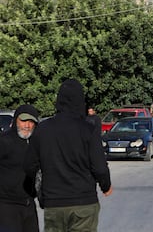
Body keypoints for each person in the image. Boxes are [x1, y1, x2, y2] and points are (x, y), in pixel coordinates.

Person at [24, 79, 113, 232]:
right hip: (83, 202)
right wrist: (106, 185)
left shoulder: (43, 129)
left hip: (54, 203)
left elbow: (29, 166)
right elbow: (99, 166)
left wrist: (36, 191)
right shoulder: (88, 129)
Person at [0, 104, 39, 232]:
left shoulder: (36, 143)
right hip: (7, 206)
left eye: (31, 122)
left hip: (29, 205)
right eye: (23, 121)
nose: (27, 125)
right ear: (16, 120)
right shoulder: (4, 141)